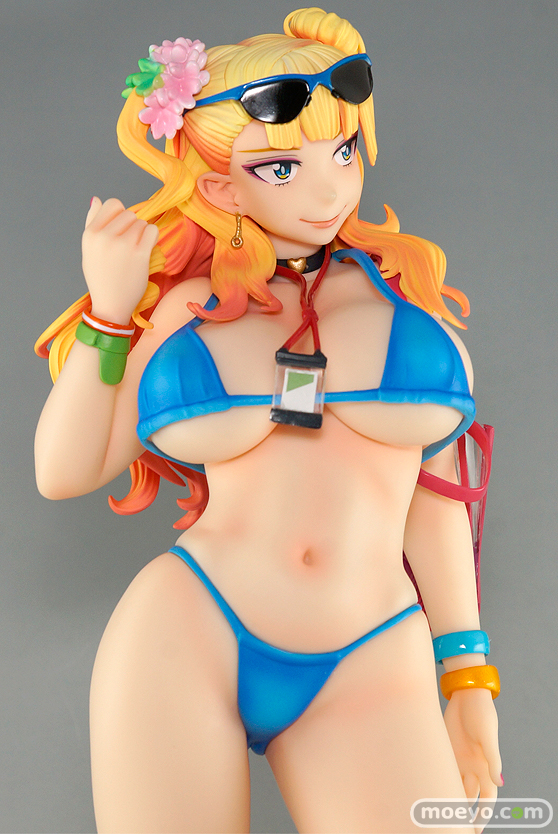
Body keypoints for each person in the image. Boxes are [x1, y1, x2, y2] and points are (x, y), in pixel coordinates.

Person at [35, 8, 502, 833]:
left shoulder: (406, 303)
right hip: (193, 627)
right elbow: (64, 472)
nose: (329, 189)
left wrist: (467, 679)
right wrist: (109, 312)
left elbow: (436, 497)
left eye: (344, 151)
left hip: (375, 643)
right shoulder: (189, 310)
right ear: (220, 188)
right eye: (283, 167)